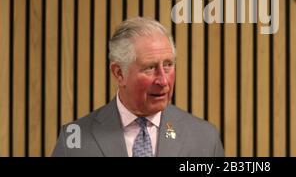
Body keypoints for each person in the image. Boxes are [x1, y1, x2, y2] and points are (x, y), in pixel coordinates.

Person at [52, 17, 224, 157]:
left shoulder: (205, 138)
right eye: (150, 68)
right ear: (119, 73)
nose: (163, 81)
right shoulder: (74, 139)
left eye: (168, 65)